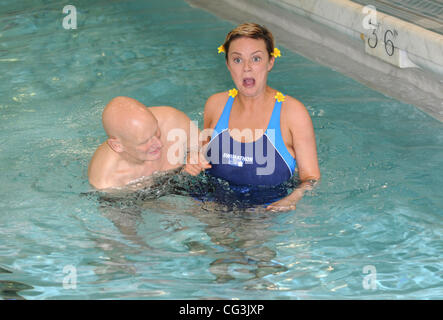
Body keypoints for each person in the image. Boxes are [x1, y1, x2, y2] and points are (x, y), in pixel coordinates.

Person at [186, 23, 320, 212]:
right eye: (237, 60)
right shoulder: (216, 105)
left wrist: (293, 198)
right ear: (228, 64)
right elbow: (199, 153)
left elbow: (311, 179)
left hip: (266, 211)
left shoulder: (292, 113)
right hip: (211, 204)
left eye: (256, 59)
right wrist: (192, 160)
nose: (247, 68)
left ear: (270, 62)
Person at [88, 96, 208, 190]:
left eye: (156, 131)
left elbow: (207, 145)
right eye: (145, 141)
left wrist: (195, 155)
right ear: (117, 146)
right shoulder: (108, 182)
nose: (159, 144)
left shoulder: (172, 120)